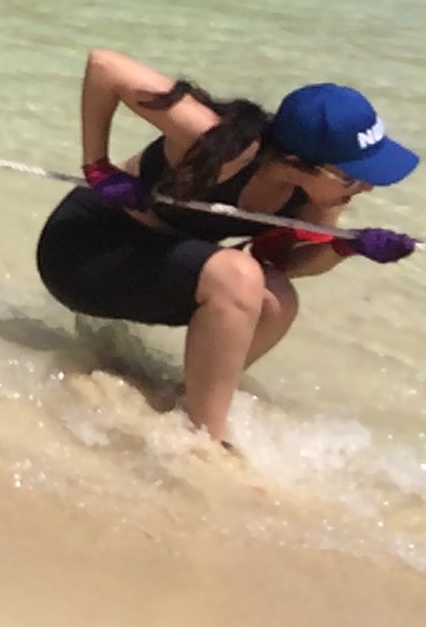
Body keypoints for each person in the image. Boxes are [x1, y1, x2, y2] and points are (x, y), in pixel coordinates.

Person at [36, 50, 416, 440]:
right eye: (354, 177)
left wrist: (346, 248)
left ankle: (188, 400)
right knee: (239, 275)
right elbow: (105, 66)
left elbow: (287, 265)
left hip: (158, 263)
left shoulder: (315, 198)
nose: (367, 186)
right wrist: (97, 166)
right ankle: (207, 438)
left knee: (278, 298)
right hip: (84, 249)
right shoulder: (221, 144)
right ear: (297, 161)